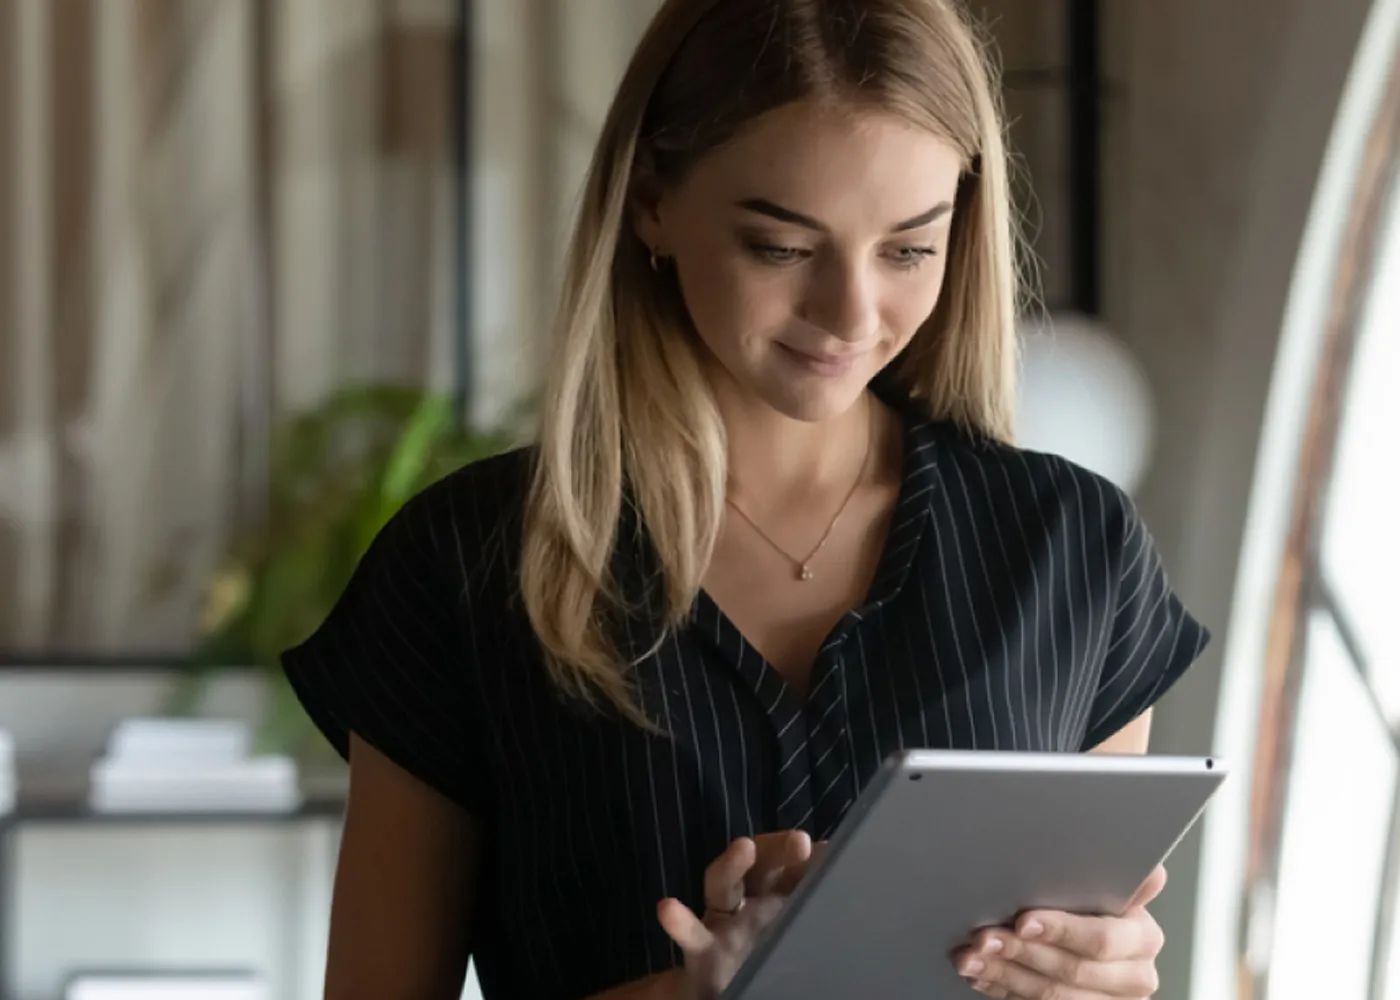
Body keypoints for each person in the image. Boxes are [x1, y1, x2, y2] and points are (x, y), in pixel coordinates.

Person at [282, 0, 1210, 997]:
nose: (850, 314)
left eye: (907, 250)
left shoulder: (1073, 548)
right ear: (649, 202)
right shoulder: (465, 563)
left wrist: (1096, 978)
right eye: (781, 248)